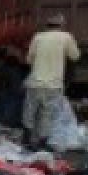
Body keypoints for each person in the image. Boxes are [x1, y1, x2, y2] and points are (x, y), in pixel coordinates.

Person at [22, 13, 80, 145]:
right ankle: (42, 143)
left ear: (47, 25)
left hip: (35, 82)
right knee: (47, 113)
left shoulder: (38, 37)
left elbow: (29, 60)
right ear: (61, 25)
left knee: (30, 111)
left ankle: (26, 139)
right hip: (53, 85)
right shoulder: (67, 37)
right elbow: (75, 56)